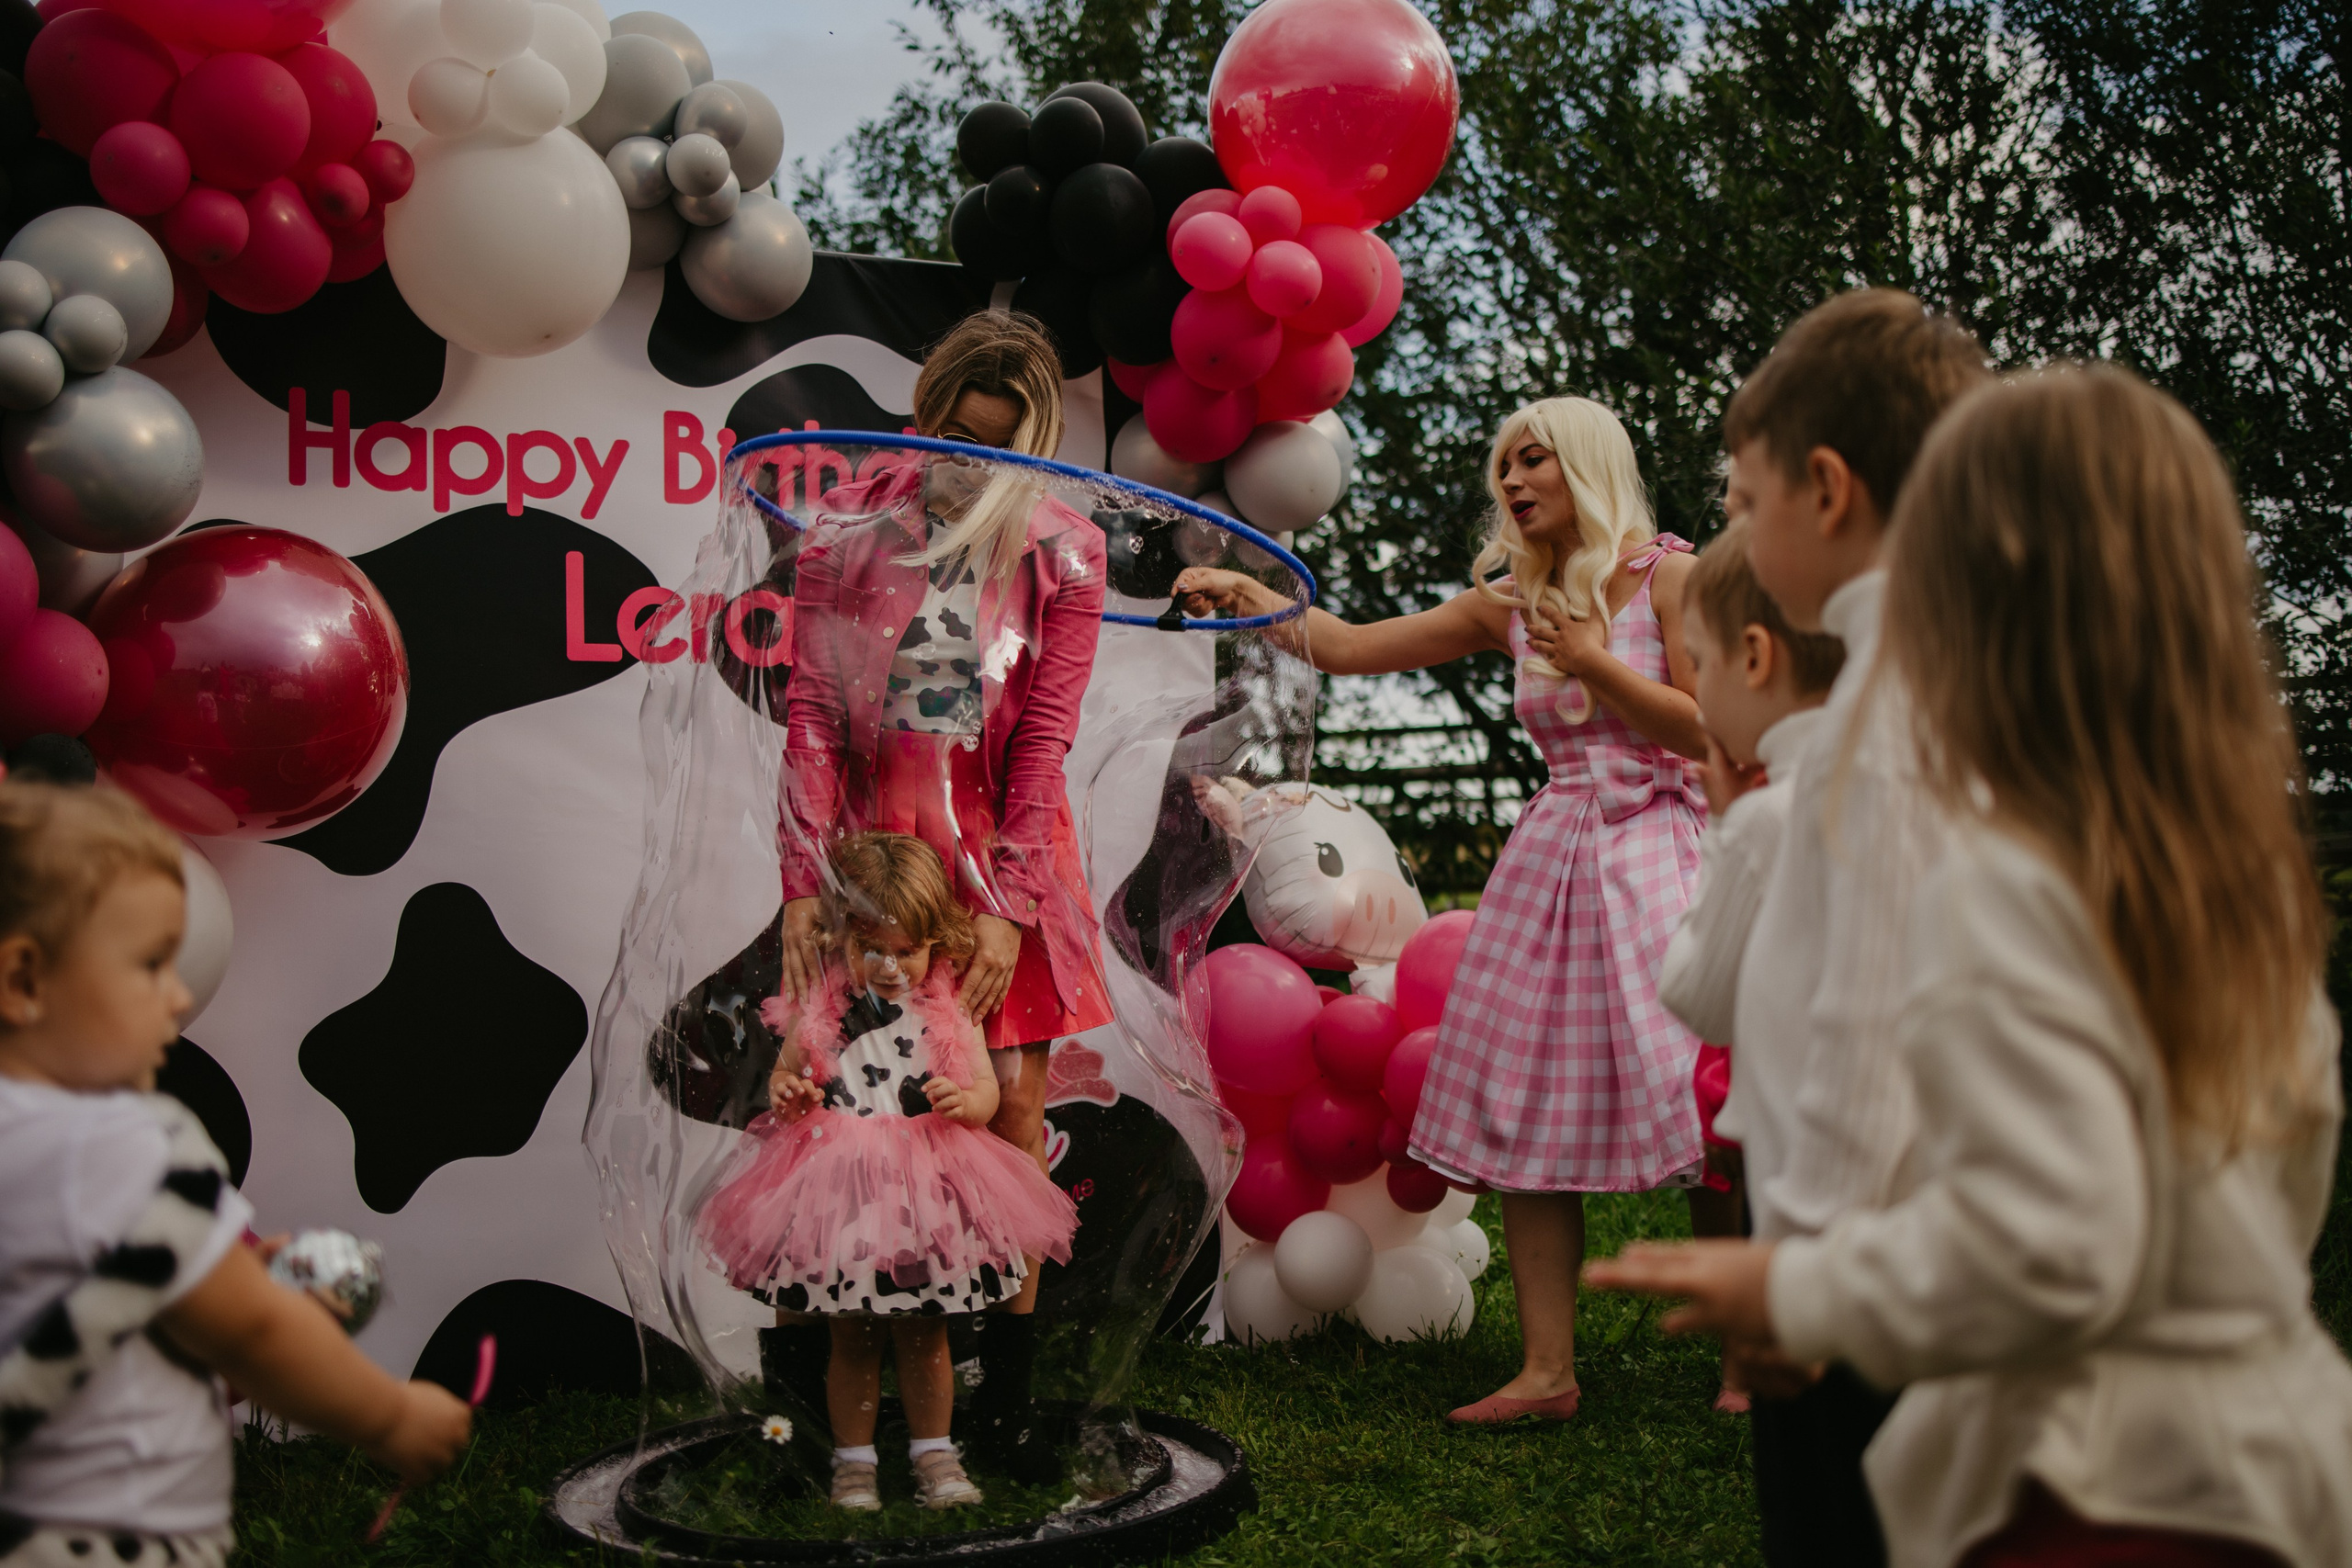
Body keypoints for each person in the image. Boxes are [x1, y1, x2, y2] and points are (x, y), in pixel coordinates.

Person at [1592, 363, 2352, 1567]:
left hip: (2090, 1486)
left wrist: (1802, 1291)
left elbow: (2055, 1245)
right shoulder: (2239, 881)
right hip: (2277, 1450)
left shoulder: (2001, 873)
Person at [1176, 395, 1709, 1425]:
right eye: (1502, 466)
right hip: (1556, 866)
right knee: (1521, 1101)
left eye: (1533, 460)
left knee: (1706, 1098)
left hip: (1665, 859)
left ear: (1588, 466)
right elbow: (1345, 645)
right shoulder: (1508, 603)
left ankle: (1750, 1359)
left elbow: (1703, 730)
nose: (1511, 482)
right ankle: (1548, 1373)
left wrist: (1591, 661)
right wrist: (1254, 590)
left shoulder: (1671, 581)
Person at [771, 310, 1110, 1477]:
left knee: (1010, 1119)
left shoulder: (1066, 548)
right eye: (957, 441)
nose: (974, 471)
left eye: (1001, 451)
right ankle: (830, 1405)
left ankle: (996, 1405)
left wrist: (1014, 907)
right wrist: (804, 880)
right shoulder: (845, 530)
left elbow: (1044, 742)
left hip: (1007, 853)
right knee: (842, 1112)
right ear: (924, 417)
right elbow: (811, 716)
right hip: (880, 862)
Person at [0, 782, 469, 1567]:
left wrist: (213, 1263)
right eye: (150, 964)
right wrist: (389, 1416)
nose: (179, 994)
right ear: (24, 980)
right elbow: (251, 1332)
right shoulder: (127, 1147)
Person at [698, 831, 1079, 1512]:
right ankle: (853, 1460)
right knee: (851, 1334)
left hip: (922, 1191)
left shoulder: (951, 1005)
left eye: (907, 951)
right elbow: (787, 1076)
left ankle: (935, 1452)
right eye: (872, 948)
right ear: (843, 938)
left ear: (936, 943)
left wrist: (968, 1102)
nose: (891, 966)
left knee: (926, 1331)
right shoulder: (821, 1004)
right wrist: (792, 1094)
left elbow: (988, 1090)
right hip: (842, 1195)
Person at [1657, 517, 1847, 1414]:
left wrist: (1730, 826)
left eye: (1699, 663)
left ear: (1757, 659)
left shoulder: (1768, 823)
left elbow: (1698, 996)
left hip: (1802, 1190)